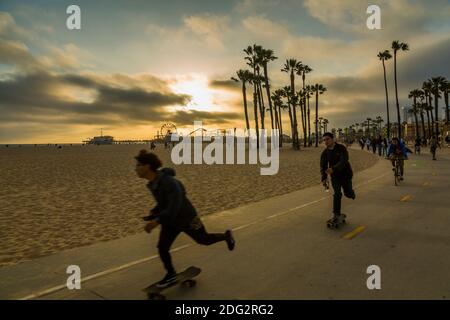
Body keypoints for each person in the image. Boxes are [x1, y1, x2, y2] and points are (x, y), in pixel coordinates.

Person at [135, 150, 235, 288]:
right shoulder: (152, 183)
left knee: (203, 240)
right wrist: (154, 212)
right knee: (162, 247)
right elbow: (165, 202)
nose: (136, 168)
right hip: (171, 221)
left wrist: (156, 221)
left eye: (138, 165)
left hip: (187, 219)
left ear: (147, 166)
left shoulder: (169, 182)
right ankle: (171, 274)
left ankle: (226, 236)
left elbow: (174, 205)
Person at [320, 133, 356, 224]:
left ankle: (351, 192)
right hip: (335, 176)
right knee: (337, 193)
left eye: (327, 139)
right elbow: (323, 166)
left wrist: (333, 168)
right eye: (324, 140)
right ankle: (336, 214)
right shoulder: (325, 153)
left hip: (346, 175)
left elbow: (344, 160)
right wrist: (324, 178)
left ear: (333, 139)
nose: (325, 141)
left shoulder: (341, 148)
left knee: (348, 194)